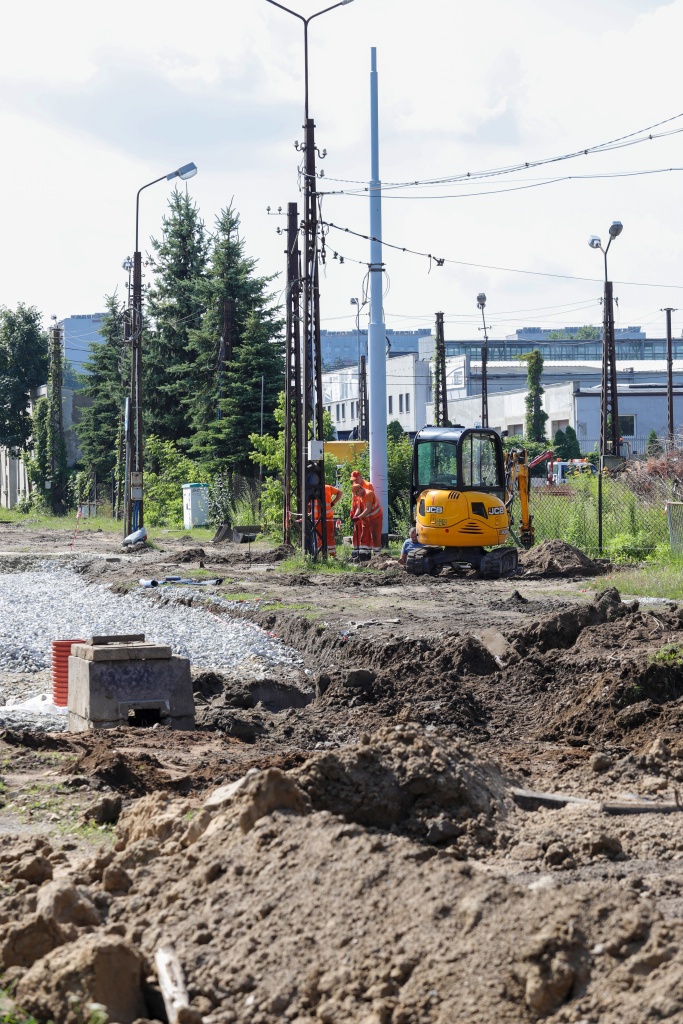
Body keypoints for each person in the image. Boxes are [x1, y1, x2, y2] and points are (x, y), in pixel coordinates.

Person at [351, 482, 383, 559]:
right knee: (364, 535)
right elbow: (359, 508)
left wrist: (358, 517)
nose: (356, 495)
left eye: (356, 493)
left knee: (375, 536)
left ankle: (377, 555)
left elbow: (368, 509)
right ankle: (364, 554)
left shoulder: (368, 494)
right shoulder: (360, 496)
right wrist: (355, 515)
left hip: (375, 518)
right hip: (366, 518)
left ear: (359, 490)